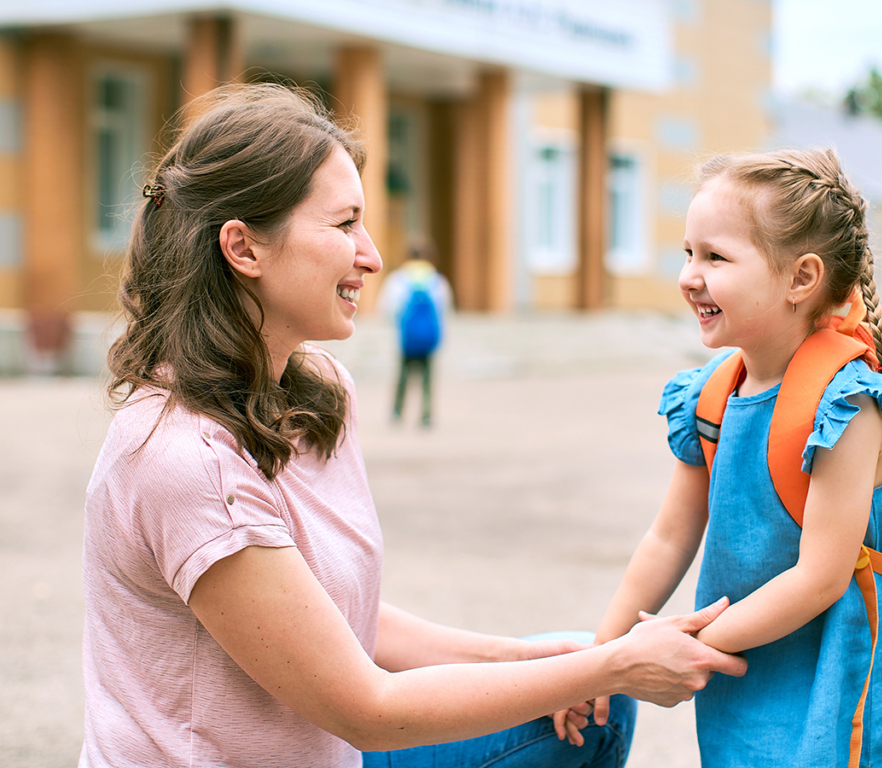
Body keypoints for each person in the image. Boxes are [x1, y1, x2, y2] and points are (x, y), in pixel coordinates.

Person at [80, 83, 747, 768]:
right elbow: (365, 710)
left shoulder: (316, 395)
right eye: (344, 226)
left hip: (331, 752)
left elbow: (340, 625)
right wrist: (612, 667)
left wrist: (540, 657)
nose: (371, 255)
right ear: (244, 249)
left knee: (585, 697)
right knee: (597, 681)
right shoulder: (182, 460)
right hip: (342, 734)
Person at [570, 148, 882, 767]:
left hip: (844, 685)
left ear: (801, 279)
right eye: (688, 253)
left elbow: (819, 577)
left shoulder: (851, 405)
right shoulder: (711, 394)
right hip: (743, 676)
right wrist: (599, 659)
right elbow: (667, 539)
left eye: (715, 257)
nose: (690, 275)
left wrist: (687, 647)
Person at [379, 239, 452, 427]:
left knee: (403, 377)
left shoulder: (398, 278)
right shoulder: (436, 279)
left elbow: (387, 308)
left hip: (406, 339)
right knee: (427, 379)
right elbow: (445, 307)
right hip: (429, 339)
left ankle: (397, 412)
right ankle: (426, 414)